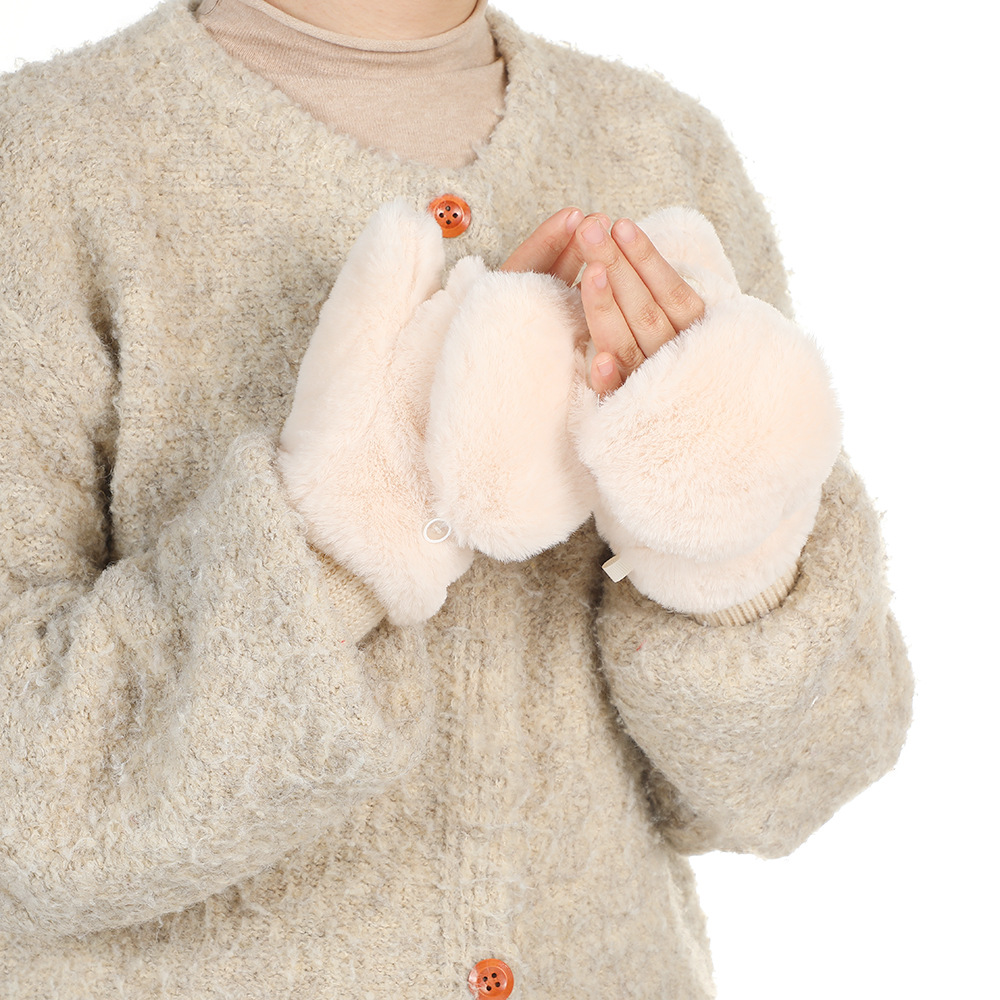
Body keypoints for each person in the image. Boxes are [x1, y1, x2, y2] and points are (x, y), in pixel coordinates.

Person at [0, 0, 913, 997]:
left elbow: (788, 789)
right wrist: (349, 527)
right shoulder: (41, 162)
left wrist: (730, 555)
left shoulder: (662, 147)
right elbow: (24, 825)